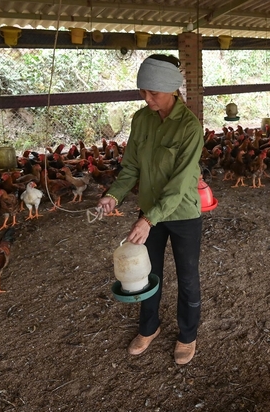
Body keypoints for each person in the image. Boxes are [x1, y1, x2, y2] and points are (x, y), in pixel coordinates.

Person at [98, 54, 204, 365]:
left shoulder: (189, 127)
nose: (147, 98)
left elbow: (181, 183)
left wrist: (148, 219)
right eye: (142, 91)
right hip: (150, 214)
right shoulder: (141, 119)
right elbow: (131, 166)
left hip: (183, 214)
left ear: (172, 90)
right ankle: (149, 327)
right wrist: (114, 195)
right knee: (146, 273)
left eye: (153, 93)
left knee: (187, 277)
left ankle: (188, 335)